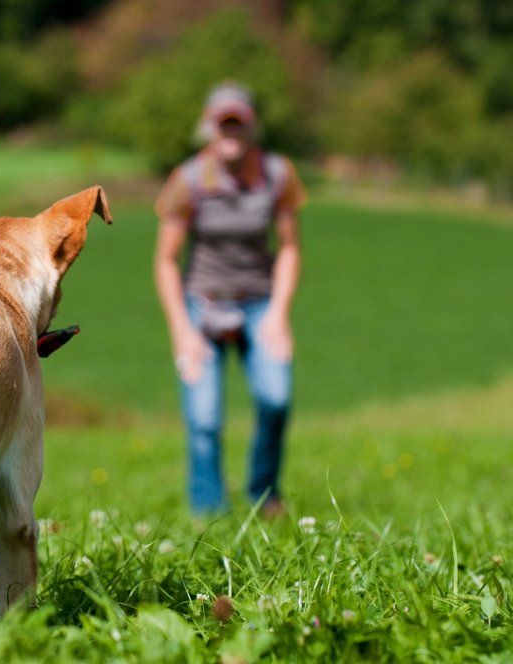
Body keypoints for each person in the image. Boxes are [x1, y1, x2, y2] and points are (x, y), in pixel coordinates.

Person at [153, 81, 306, 518]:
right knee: (204, 420)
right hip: (202, 304)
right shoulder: (187, 180)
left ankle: (264, 495)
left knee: (276, 398)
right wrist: (182, 330)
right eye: (223, 124)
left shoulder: (278, 175)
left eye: (238, 123)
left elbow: (290, 247)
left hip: (260, 302)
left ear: (252, 126)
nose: (231, 132)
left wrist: (279, 314)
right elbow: (166, 261)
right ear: (210, 127)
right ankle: (209, 514)